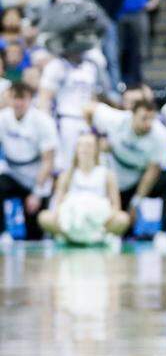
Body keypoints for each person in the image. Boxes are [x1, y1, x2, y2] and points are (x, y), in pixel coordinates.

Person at [86, 99, 166, 240]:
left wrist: (136, 202)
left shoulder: (160, 134)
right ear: (132, 115)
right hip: (114, 178)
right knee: (119, 230)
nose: (148, 124)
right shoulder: (116, 119)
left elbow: (152, 172)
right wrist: (96, 138)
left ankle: (164, 233)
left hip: (138, 177)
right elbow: (88, 108)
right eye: (144, 118)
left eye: (151, 119)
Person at [37, 132, 130, 246]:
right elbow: (58, 205)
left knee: (123, 219)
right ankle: (76, 237)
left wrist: (101, 216)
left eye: (89, 145)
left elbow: (116, 206)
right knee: (44, 217)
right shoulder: (66, 175)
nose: (84, 149)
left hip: (98, 221)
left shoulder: (107, 175)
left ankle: (93, 237)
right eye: (81, 145)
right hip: (72, 221)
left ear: (96, 150)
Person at [0, 81, 57, 240]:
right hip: (12, 173)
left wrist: (37, 194)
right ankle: (2, 232)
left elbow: (48, 161)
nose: (18, 103)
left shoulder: (43, 122)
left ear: (30, 99)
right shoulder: (3, 118)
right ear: (9, 98)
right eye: (14, 98)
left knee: (35, 234)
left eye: (22, 98)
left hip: (36, 177)